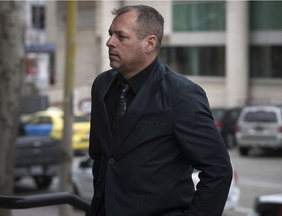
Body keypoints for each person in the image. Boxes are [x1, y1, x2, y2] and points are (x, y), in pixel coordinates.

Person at [88, 5, 233, 216]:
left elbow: (218, 171)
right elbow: (100, 157)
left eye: (121, 36)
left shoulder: (181, 95)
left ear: (149, 43)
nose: (110, 42)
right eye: (111, 34)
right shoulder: (102, 86)